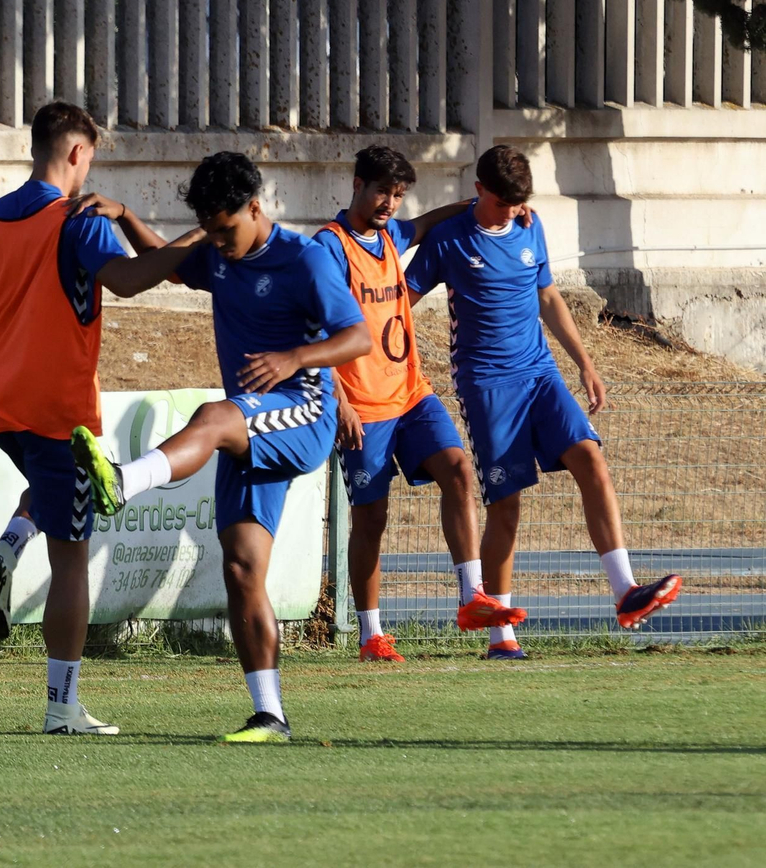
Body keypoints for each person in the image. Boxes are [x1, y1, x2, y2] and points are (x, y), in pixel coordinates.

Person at [72, 152, 371, 743]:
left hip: (302, 412)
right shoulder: (218, 251)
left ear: (255, 207)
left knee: (212, 416)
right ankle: (271, 715)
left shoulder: (304, 259)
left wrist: (294, 357)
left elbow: (357, 336)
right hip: (253, 429)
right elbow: (171, 266)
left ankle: (123, 483)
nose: (219, 240)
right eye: (209, 228)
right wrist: (127, 215)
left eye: (226, 227)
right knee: (241, 569)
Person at [0, 101, 198, 735]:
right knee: (73, 556)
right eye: (91, 155)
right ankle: (62, 707)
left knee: (50, 487)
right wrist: (195, 234)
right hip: (53, 411)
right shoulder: (79, 218)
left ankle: (7, 549)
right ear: (76, 153)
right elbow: (129, 280)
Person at [403, 145, 682, 656]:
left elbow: (548, 295)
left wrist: (585, 363)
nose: (512, 212)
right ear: (479, 190)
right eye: (503, 202)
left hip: (539, 373)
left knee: (592, 460)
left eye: (518, 202)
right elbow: (401, 301)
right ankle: (500, 634)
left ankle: (625, 592)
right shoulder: (448, 240)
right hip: (486, 385)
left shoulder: (530, 225)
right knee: (506, 507)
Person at [315, 145, 526, 663]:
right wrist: (335, 396)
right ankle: (370, 636)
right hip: (361, 404)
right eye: (383, 190)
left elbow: (427, 222)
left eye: (399, 194)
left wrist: (499, 207)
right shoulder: (329, 246)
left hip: (410, 393)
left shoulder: (391, 235)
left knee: (458, 469)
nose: (390, 202)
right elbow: (310, 324)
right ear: (358, 183)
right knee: (372, 518)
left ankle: (471, 597)